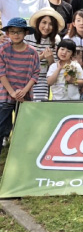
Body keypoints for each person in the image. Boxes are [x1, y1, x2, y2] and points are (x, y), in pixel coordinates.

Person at [0, 18, 40, 153]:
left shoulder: (32, 52)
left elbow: (35, 73)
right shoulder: (3, 50)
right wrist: (12, 92)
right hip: (5, 95)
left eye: (19, 32)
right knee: (2, 127)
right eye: (12, 32)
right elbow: (1, 73)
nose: (16, 35)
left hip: (25, 95)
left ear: (25, 33)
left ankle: (20, 154)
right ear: (7, 34)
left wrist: (24, 91)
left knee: (23, 127)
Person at [25, 8, 64, 101]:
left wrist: (50, 59)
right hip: (25, 77)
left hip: (42, 79)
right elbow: (24, 62)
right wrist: (41, 57)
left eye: (51, 24)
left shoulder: (56, 39)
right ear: (38, 22)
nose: (46, 27)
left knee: (40, 104)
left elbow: (54, 67)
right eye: (44, 22)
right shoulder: (28, 36)